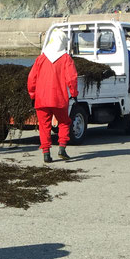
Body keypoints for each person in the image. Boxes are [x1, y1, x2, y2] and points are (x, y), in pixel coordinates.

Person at [27, 28, 79, 163]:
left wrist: (32, 95)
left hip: (41, 98)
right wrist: (74, 93)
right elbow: (72, 78)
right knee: (64, 122)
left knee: (44, 126)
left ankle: (46, 153)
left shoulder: (41, 58)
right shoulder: (66, 58)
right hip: (59, 98)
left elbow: (31, 78)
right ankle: (62, 148)